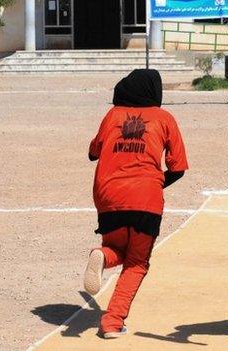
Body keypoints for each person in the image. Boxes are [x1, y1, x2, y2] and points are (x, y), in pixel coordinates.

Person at [84, 69, 188, 338]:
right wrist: (152, 184)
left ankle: (102, 256)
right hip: (146, 197)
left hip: (108, 195)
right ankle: (111, 321)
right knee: (137, 263)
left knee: (116, 247)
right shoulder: (165, 119)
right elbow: (178, 168)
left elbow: (93, 153)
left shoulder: (112, 116)